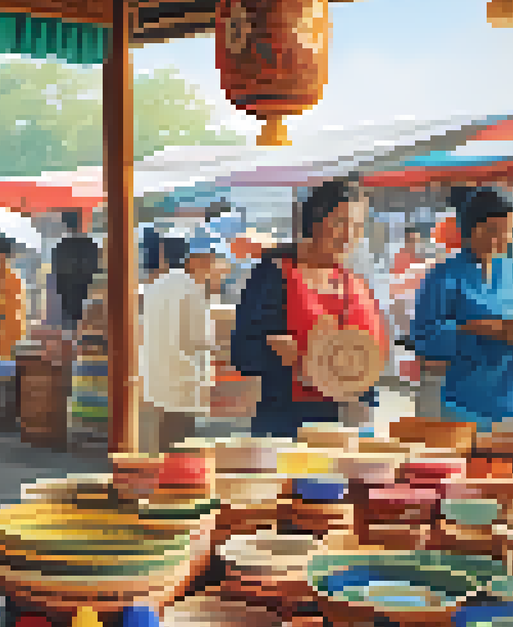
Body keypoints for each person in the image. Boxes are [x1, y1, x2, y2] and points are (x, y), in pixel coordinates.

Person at [233, 179, 388, 438]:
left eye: (358, 226)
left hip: (346, 424)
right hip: (287, 423)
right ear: (314, 222)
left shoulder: (355, 283)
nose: (349, 235)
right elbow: (242, 353)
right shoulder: (274, 276)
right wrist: (275, 353)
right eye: (340, 222)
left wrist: (365, 403)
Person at [409, 189, 513, 432]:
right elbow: (424, 336)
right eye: (496, 231)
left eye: (509, 231)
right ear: (472, 230)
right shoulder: (444, 276)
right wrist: (477, 329)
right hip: (465, 405)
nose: (505, 239)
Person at [141, 237, 224, 452]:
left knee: (164, 433)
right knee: (181, 439)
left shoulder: (155, 286)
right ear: (191, 260)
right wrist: (220, 349)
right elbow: (200, 337)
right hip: (184, 375)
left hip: (157, 372)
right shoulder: (190, 287)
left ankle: (164, 468)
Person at [51, 211, 100, 336]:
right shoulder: (90, 245)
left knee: (70, 327)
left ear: (65, 225)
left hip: (68, 293)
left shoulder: (61, 246)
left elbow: (57, 272)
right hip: (86, 290)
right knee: (86, 325)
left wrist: (60, 291)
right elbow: (96, 269)